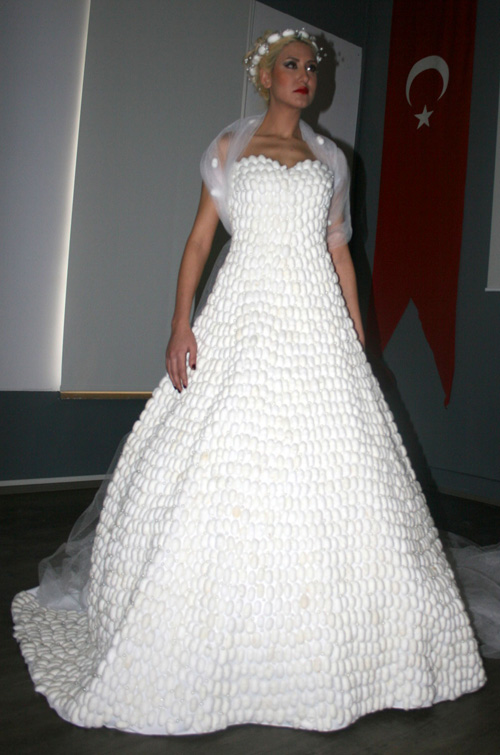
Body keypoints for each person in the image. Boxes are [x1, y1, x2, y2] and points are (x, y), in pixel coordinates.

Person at [12, 29, 485, 736]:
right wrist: (180, 323)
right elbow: (201, 240)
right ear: (265, 76)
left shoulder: (332, 159)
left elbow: (340, 251)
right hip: (244, 313)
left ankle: (376, 643)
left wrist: (360, 341)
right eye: (289, 65)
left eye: (310, 67)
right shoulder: (229, 148)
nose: (303, 75)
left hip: (315, 320)